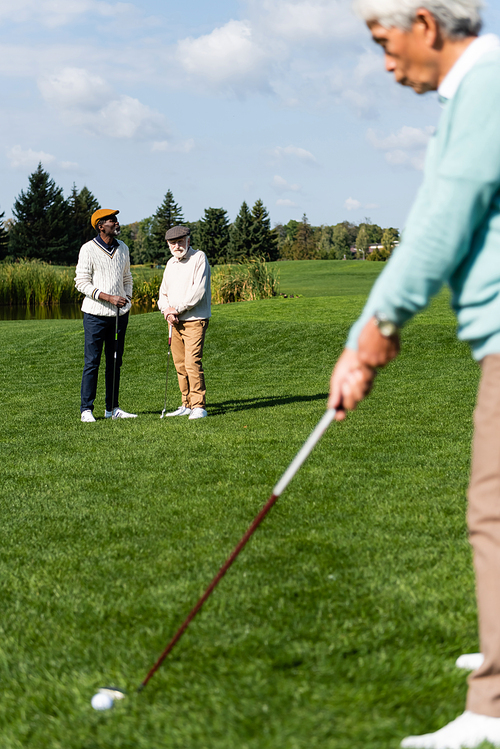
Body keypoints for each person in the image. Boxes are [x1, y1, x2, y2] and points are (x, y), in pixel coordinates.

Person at [328, 2, 500, 747]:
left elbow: (443, 220)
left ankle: (493, 706)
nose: (385, 60)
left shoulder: (487, 85)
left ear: (425, 23)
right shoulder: (475, 95)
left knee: (494, 514)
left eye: (382, 40)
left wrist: (374, 332)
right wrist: (373, 326)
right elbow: (437, 206)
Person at [75, 208, 137, 422]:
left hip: (120, 315)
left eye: (116, 219)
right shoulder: (88, 249)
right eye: (111, 220)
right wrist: (109, 297)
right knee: (92, 361)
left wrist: (126, 298)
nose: (116, 222)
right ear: (100, 226)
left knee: (115, 361)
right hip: (95, 315)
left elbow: (127, 277)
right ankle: (86, 409)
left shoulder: (123, 248)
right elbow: (81, 282)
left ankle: (112, 409)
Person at [157, 225, 211, 420]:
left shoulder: (199, 258)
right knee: (180, 364)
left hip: (195, 320)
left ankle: (199, 406)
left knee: (192, 363)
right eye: (173, 243)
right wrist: (166, 311)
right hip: (174, 321)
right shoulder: (171, 264)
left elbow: (198, 292)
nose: (177, 246)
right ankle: (186, 404)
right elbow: (163, 293)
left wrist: (176, 309)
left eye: (180, 241)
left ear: (188, 241)